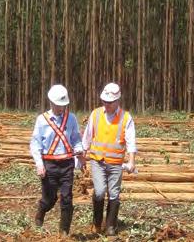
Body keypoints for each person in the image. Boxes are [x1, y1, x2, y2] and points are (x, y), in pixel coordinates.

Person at [82, 82, 137, 235]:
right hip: (97, 161)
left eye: (110, 102)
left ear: (117, 101)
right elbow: (87, 135)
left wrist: (131, 160)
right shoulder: (96, 114)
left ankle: (110, 226)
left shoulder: (126, 118)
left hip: (115, 164)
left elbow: (131, 140)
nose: (106, 104)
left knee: (114, 193)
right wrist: (82, 154)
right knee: (99, 192)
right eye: (104, 101)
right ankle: (97, 223)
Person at [30, 84, 84, 236]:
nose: (61, 108)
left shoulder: (71, 118)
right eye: (58, 105)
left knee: (67, 199)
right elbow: (35, 144)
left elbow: (76, 139)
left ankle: (64, 232)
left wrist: (79, 149)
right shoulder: (42, 120)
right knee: (50, 199)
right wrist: (39, 165)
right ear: (51, 103)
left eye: (63, 105)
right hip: (50, 165)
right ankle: (41, 210)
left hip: (67, 164)